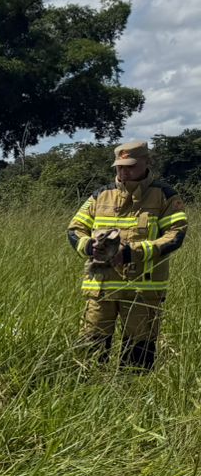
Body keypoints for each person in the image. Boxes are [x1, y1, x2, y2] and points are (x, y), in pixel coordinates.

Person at [68, 141, 187, 371]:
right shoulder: (100, 196)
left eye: (130, 166)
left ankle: (133, 400)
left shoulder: (164, 196)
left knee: (138, 355)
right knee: (91, 347)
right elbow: (74, 230)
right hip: (100, 287)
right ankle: (90, 391)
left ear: (146, 162)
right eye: (119, 166)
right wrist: (90, 247)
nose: (124, 171)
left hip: (143, 289)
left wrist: (133, 252)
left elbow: (175, 235)